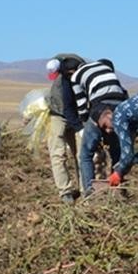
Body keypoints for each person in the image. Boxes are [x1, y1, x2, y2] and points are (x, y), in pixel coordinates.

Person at [68, 56, 129, 195]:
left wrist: (85, 125)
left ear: (71, 71)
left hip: (100, 109)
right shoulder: (106, 68)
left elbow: (82, 104)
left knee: (85, 154)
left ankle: (89, 193)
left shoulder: (76, 77)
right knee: (116, 151)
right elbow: (123, 92)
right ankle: (117, 189)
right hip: (120, 108)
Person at [44, 55, 83, 203]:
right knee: (58, 154)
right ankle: (65, 191)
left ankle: (86, 189)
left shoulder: (79, 77)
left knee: (82, 154)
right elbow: (65, 107)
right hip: (58, 115)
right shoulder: (59, 83)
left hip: (78, 116)